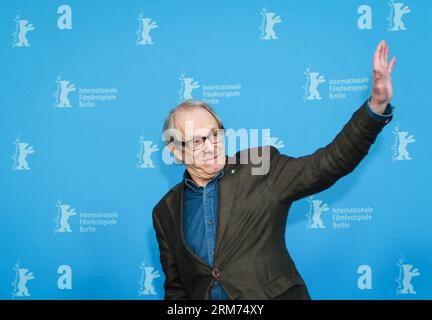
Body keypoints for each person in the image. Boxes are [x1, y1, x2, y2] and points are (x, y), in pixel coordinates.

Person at [152, 40, 396, 299]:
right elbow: (177, 290)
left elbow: (329, 163)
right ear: (175, 151)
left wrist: (375, 108)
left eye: (214, 134)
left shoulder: (260, 166)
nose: (211, 146)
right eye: (197, 140)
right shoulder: (165, 211)